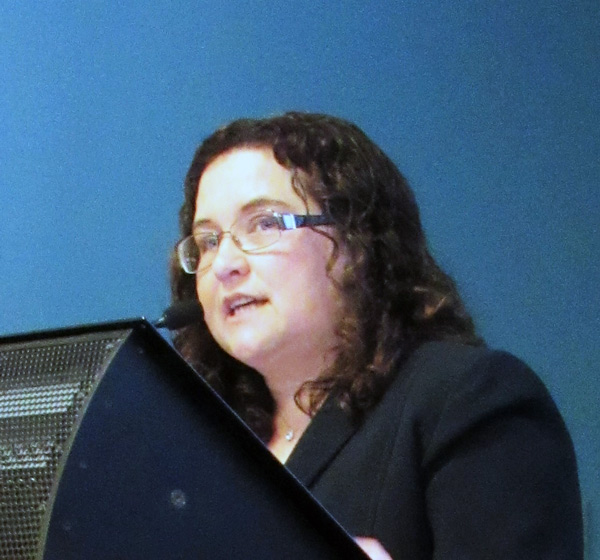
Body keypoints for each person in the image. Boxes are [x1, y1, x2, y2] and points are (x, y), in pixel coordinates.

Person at [169, 112, 583, 559]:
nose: (225, 264)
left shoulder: (464, 400)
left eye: (265, 223)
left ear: (358, 240)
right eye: (208, 241)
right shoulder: (198, 448)